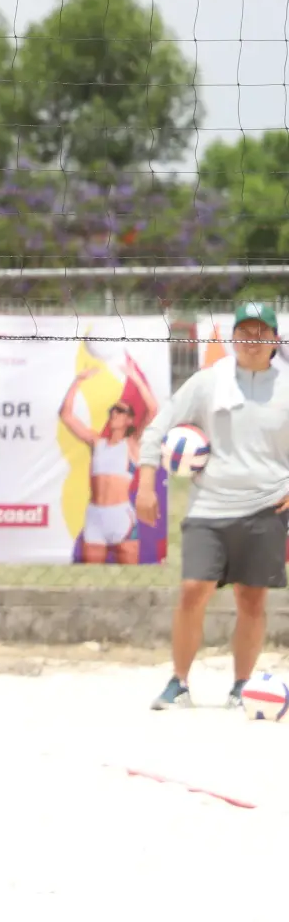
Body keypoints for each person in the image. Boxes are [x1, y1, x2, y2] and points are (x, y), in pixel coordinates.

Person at [137, 301, 289, 709]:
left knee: (251, 599)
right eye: (244, 332)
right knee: (192, 590)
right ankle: (179, 682)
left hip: (267, 506)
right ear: (233, 336)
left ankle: (241, 686)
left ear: (275, 339)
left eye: (261, 333)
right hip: (210, 505)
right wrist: (147, 485)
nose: (251, 340)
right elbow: (156, 429)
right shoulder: (208, 382)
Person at [60, 362, 159, 565]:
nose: (114, 413)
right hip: (95, 515)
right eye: (113, 410)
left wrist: (137, 380)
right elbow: (66, 415)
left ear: (129, 420)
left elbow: (153, 410)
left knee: (131, 577)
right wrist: (78, 381)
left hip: (121, 517)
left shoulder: (132, 445)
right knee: (89, 577)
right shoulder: (97, 442)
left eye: (120, 411)